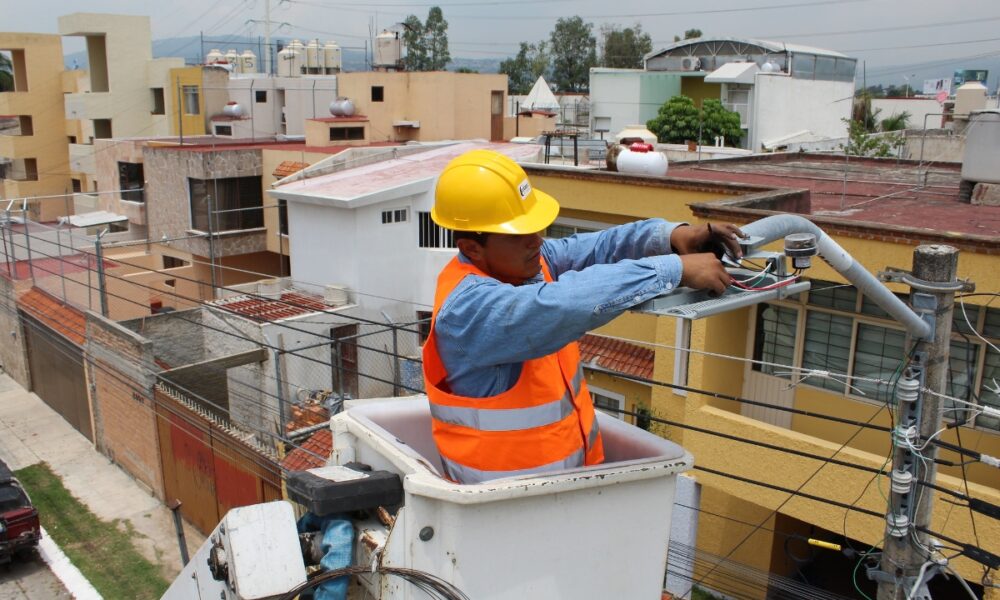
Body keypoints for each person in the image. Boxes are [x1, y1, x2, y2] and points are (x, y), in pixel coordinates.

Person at [422, 149, 744, 484]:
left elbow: (599, 246)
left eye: (536, 228)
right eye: (519, 235)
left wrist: (671, 237)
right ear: (472, 248)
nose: (537, 242)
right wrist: (672, 270)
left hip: (570, 492)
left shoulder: (526, 262)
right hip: (503, 510)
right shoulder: (467, 309)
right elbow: (563, 304)